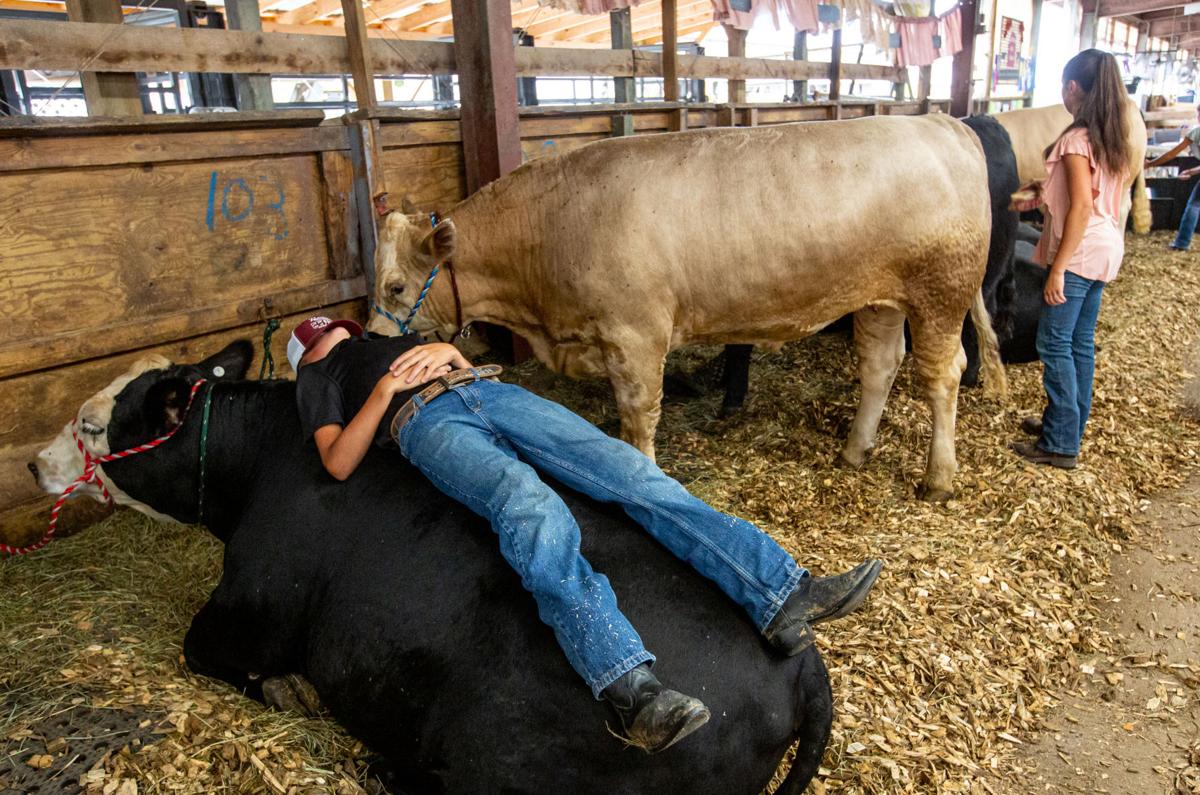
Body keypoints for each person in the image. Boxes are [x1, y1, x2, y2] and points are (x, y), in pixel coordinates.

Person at [287, 315, 882, 754]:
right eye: (316, 336)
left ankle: (780, 595)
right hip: (424, 422)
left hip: (490, 390)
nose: (332, 333)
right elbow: (337, 460)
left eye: (335, 327)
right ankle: (631, 691)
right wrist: (386, 392)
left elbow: (461, 362)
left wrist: (447, 351)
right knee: (528, 506)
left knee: (628, 470)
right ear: (305, 355)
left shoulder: (388, 339)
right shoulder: (319, 378)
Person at [1012, 49, 1132, 470]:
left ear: (1073, 88)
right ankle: (1068, 424)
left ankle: (1061, 442)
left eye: (1064, 86)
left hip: (1080, 253)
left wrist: (1057, 268)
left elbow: (1080, 207)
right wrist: (1041, 195)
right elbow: (1084, 197)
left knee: (1053, 343)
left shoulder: (1076, 141)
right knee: (1079, 342)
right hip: (1105, 247)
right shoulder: (1110, 137)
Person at [1144, 105, 1200, 251]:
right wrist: (1192, 171)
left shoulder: (1196, 133)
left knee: (1194, 206)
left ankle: (1182, 243)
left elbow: (1172, 153)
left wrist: (1151, 164)